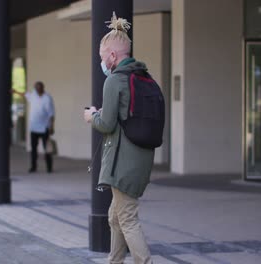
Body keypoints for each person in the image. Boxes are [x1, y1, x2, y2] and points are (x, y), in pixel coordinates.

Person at [84, 12, 154, 264]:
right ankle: (114, 261)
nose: (102, 62)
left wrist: (92, 116)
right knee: (115, 215)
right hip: (140, 159)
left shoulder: (114, 80)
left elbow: (107, 124)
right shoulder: (142, 76)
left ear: (112, 55)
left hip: (122, 164)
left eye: (102, 57)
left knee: (127, 218)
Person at [12, 81, 55, 173]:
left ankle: (49, 167)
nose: (37, 89)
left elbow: (51, 114)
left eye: (39, 88)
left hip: (44, 127)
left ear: (43, 88)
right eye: (36, 88)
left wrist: (51, 126)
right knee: (33, 149)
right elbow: (24, 94)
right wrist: (15, 92)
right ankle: (33, 166)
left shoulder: (47, 98)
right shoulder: (33, 95)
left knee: (46, 148)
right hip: (34, 127)